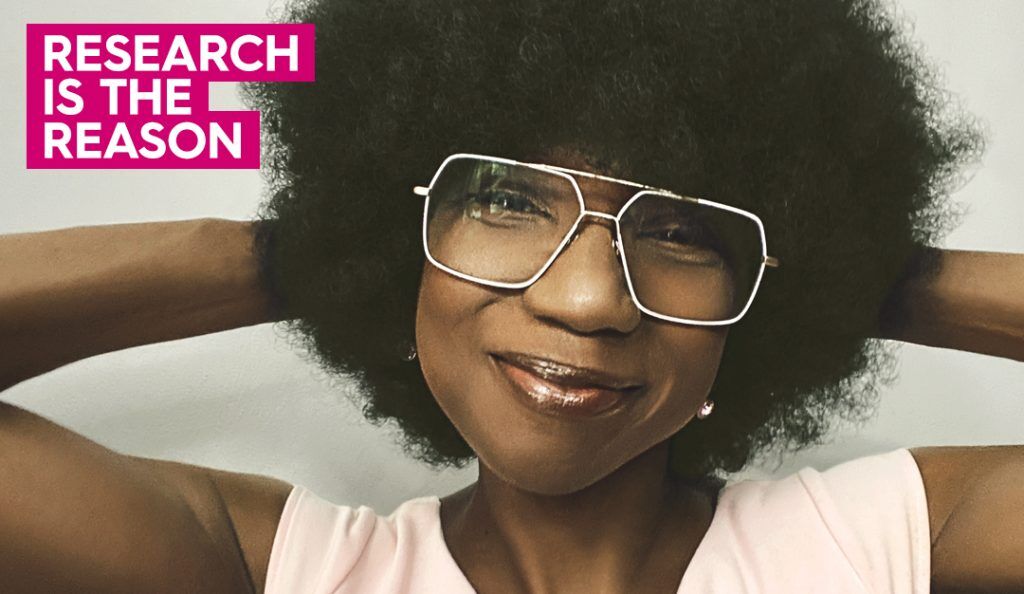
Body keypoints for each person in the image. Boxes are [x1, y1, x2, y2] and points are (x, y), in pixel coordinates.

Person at [2, 0, 1023, 593]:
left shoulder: (876, 540)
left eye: (681, 232)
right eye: (499, 201)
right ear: (398, 245)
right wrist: (315, 252)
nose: (587, 301)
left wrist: (859, 279)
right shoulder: (289, 567)